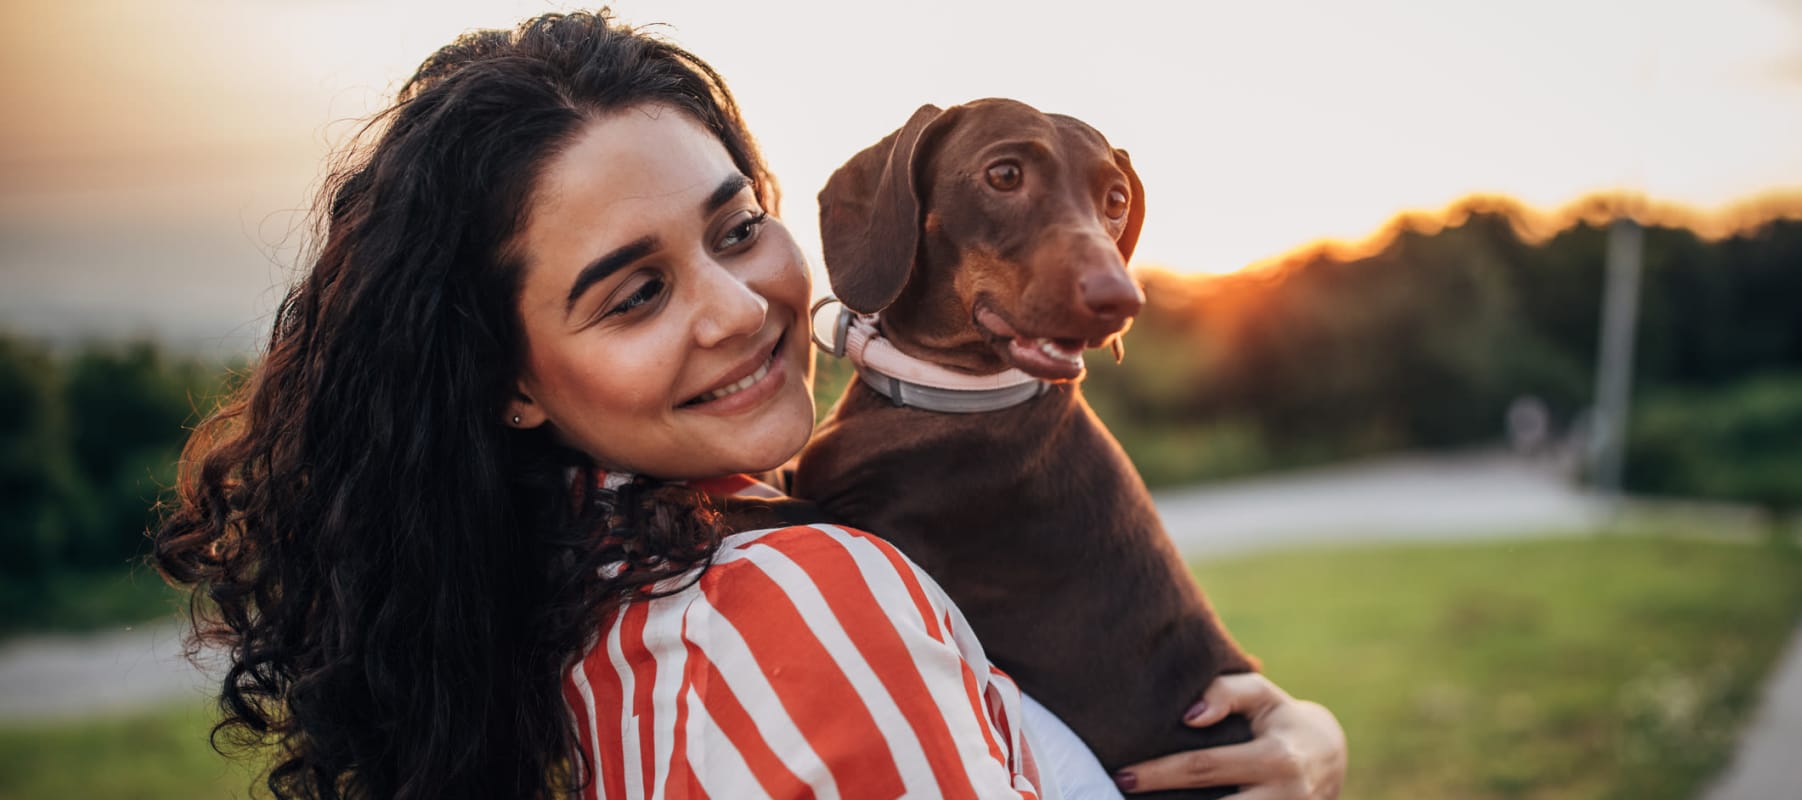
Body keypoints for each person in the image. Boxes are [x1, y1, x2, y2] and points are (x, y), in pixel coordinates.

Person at [153, 9, 1346, 800]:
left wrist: (1285, 737)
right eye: (632, 295)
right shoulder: (809, 590)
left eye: (735, 229)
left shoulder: (571, 593)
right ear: (506, 380)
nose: (735, 309)